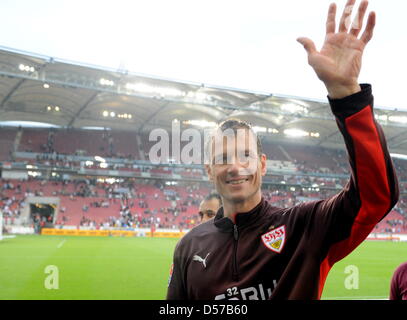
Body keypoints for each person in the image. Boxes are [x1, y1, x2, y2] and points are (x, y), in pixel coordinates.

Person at [166, 0, 399, 300]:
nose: (235, 166)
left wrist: (347, 97)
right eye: (223, 159)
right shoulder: (189, 247)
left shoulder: (305, 227)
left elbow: (375, 198)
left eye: (245, 155)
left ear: (263, 165)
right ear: (208, 170)